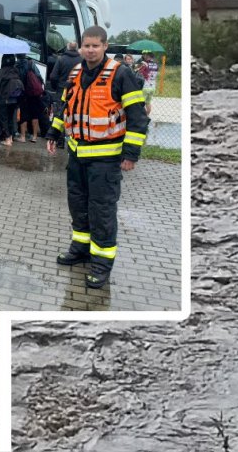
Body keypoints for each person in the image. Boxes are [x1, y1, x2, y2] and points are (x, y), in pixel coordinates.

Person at [45, 26, 149, 289]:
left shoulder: (120, 74)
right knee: (78, 206)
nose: (89, 50)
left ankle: (101, 264)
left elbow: (137, 117)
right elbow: (66, 106)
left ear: (105, 46)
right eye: (86, 46)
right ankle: (80, 248)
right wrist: (53, 133)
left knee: (101, 211)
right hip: (78, 155)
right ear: (80, 47)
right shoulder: (76, 72)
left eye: (95, 45)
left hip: (106, 159)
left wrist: (131, 154)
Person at [0, 53, 22, 146]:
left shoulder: (1, 71)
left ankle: (8, 139)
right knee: (10, 119)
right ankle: (11, 138)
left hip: (3, 99)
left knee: (3, 119)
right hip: (14, 99)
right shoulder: (16, 70)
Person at [18, 57, 45, 143]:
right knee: (35, 115)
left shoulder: (17, 65)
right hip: (34, 93)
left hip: (24, 93)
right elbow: (39, 76)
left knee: (24, 115)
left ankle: (23, 137)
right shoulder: (31, 63)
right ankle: (34, 137)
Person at [136, 50, 159, 116]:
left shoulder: (145, 64)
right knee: (148, 102)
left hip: (145, 86)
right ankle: (147, 116)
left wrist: (140, 66)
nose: (144, 56)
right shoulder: (156, 64)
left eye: (145, 55)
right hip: (153, 86)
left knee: (141, 103)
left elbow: (138, 71)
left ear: (147, 56)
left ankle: (141, 117)